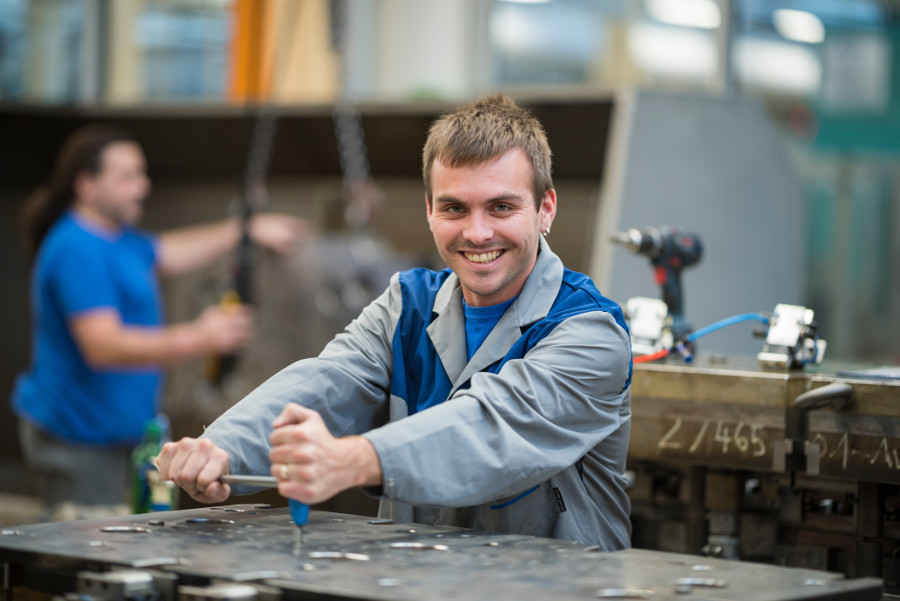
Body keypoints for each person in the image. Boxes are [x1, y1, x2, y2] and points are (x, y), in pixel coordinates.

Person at [158, 94, 633, 549]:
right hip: (424, 582)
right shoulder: (407, 305)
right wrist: (220, 449)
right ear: (429, 211)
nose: (477, 232)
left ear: (545, 208)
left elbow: (491, 429)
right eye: (454, 208)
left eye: (501, 207)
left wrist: (357, 460)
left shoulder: (588, 333)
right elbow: (326, 383)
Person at [11, 123, 308, 518]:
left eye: (142, 174)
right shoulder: (75, 248)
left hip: (118, 438)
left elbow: (172, 251)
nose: (142, 186)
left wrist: (245, 230)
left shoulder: (119, 239)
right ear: (87, 185)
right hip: (79, 441)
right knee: (88, 555)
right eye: (127, 177)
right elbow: (103, 346)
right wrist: (200, 337)